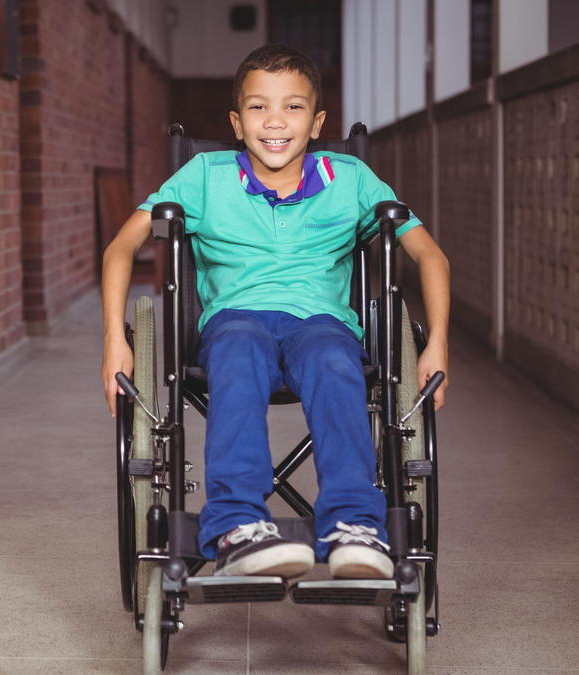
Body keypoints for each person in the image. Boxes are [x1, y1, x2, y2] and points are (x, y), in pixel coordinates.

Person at [99, 44, 451, 580]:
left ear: (317, 121)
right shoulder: (203, 175)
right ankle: (237, 524)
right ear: (237, 123)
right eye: (259, 108)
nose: (276, 122)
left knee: (337, 362)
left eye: (293, 107)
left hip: (322, 325)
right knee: (238, 354)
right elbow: (120, 248)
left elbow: (429, 253)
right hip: (235, 321)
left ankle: (354, 525)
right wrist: (114, 341)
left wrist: (437, 344)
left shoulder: (351, 177)